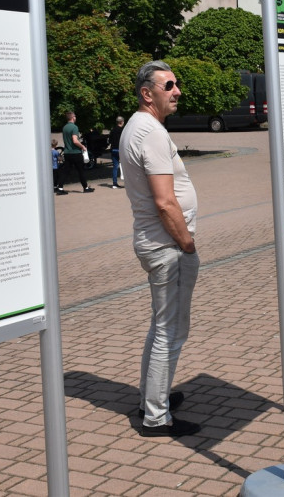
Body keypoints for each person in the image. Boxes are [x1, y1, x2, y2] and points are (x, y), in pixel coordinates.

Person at [120, 60, 201, 438]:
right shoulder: (149, 131)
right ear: (147, 93)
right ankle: (155, 416)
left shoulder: (139, 127)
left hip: (157, 243)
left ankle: (152, 398)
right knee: (171, 331)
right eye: (168, 85)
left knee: (161, 327)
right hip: (167, 246)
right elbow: (165, 202)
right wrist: (186, 244)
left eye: (176, 84)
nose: (177, 90)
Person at [60, 111, 94, 194]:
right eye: (75, 116)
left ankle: (60, 187)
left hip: (67, 152)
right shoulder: (74, 127)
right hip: (75, 152)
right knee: (80, 171)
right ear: (73, 117)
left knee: (66, 170)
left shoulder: (64, 127)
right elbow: (75, 140)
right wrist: (82, 147)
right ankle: (85, 187)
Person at [109, 116, 124, 189]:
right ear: (121, 122)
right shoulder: (123, 130)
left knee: (115, 167)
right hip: (121, 150)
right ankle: (128, 182)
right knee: (125, 166)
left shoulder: (113, 130)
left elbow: (110, 140)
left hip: (113, 149)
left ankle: (114, 183)